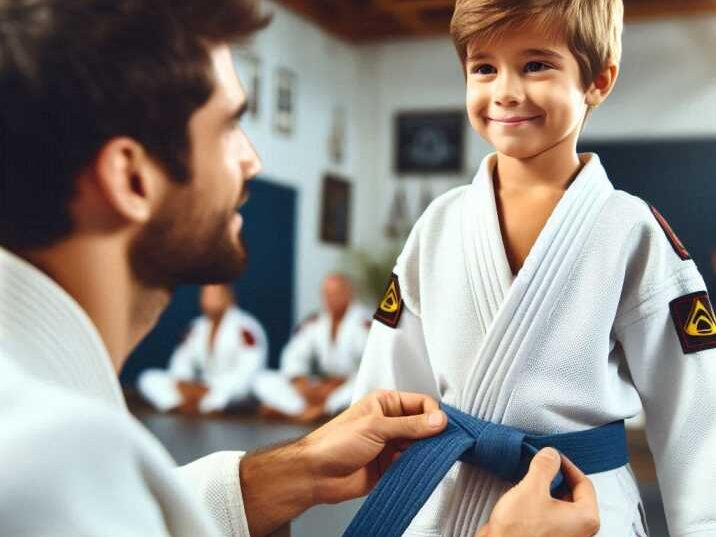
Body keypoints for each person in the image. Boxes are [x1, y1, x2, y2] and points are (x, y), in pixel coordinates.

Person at [0, 0, 601, 536]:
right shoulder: (51, 462)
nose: (253, 160)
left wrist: (274, 478)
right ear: (131, 178)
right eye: (230, 125)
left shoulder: (55, 437)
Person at [353, 1, 716, 536]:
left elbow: (694, 405)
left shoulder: (629, 227)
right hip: (446, 496)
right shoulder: (439, 222)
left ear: (597, 80)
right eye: (484, 68)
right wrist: (376, 471)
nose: (505, 91)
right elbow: (388, 384)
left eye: (535, 65)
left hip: (581, 502)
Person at [254, 273, 371, 421]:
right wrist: (300, 382)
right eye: (326, 294)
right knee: (262, 379)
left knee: (362, 387)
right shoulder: (316, 321)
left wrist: (337, 384)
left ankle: (322, 410)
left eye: (336, 293)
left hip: (347, 385)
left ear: (350, 293)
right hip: (320, 385)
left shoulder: (365, 323)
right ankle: (304, 412)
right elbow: (293, 354)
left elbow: (373, 365)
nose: (331, 299)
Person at [138, 283, 268, 414]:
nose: (208, 300)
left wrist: (209, 387)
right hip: (200, 387)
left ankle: (199, 404)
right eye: (205, 295)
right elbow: (181, 360)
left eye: (214, 295)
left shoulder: (245, 328)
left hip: (228, 389)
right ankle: (180, 405)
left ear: (229, 297)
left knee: (255, 385)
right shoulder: (196, 327)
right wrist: (184, 383)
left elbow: (249, 371)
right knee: (148, 378)